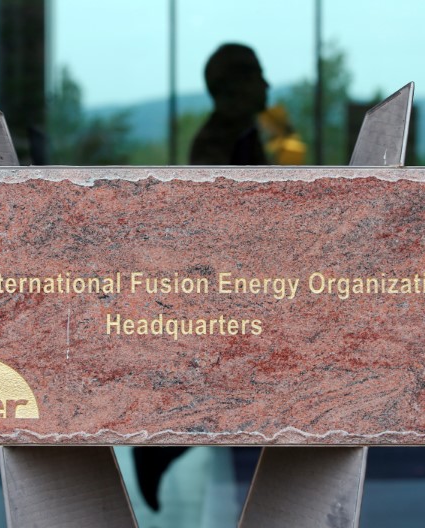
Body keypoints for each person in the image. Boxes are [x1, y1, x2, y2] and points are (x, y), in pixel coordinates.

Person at [134, 43, 269, 514]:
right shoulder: (219, 145)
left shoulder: (243, 138)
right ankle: (162, 447)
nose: (267, 86)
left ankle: (164, 447)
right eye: (257, 76)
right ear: (233, 87)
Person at [190, 43, 269, 165]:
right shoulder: (214, 146)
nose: (266, 85)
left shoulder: (246, 136)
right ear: (238, 85)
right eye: (258, 75)